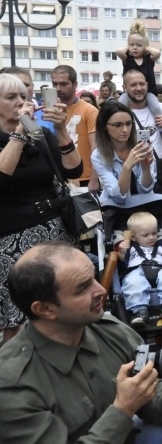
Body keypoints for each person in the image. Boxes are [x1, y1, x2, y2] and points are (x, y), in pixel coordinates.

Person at [0, 242, 162, 443]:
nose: (101, 290)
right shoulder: (12, 384)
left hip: (125, 435)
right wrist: (123, 409)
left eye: (94, 278)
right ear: (45, 309)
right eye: (83, 288)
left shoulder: (110, 330)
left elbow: (151, 407)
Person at [0, 74, 83, 344]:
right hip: (12, 239)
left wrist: (60, 131)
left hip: (55, 230)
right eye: (11, 97)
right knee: (19, 320)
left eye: (23, 96)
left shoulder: (41, 134)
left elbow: (74, 170)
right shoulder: (23, 134)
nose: (20, 103)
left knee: (64, 308)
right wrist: (19, 133)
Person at [122, 69, 162, 198]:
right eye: (133, 85)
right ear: (125, 88)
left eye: (142, 84)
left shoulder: (160, 108)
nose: (138, 88)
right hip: (135, 172)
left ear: (147, 85)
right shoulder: (120, 114)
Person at [117, 211, 162, 327]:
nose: (151, 237)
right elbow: (122, 266)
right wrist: (121, 253)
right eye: (145, 235)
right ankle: (139, 311)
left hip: (159, 269)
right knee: (133, 282)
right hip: (136, 271)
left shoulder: (161, 246)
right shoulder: (131, 248)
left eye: (154, 233)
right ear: (133, 237)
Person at [116, 21, 162, 144]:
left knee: (156, 108)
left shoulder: (148, 58)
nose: (135, 47)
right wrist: (131, 45)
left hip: (149, 92)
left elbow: (157, 53)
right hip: (128, 93)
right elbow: (119, 52)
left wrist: (145, 46)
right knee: (119, 106)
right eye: (132, 45)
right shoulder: (128, 58)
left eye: (138, 45)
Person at [91, 100, 156, 205]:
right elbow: (119, 197)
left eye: (128, 123)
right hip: (115, 209)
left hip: (144, 207)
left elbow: (146, 190)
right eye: (118, 125)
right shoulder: (98, 155)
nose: (125, 130)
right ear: (104, 126)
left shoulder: (142, 147)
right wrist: (127, 167)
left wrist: (146, 168)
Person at [51, 65, 99, 189]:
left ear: (75, 84)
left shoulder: (89, 111)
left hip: (84, 177)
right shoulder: (48, 110)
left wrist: (94, 179)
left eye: (63, 84)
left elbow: (96, 148)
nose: (58, 88)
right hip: (56, 178)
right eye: (54, 84)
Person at [0, 66, 52, 131]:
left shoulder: (47, 115)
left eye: (25, 85)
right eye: (11, 97)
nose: (21, 102)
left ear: (33, 88)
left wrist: (60, 128)